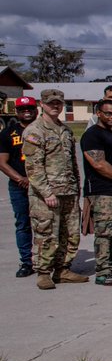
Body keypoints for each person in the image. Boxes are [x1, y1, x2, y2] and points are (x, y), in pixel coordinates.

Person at [23, 89, 86, 289]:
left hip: (68, 191)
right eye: (51, 103)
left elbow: (72, 163)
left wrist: (77, 189)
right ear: (42, 104)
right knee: (46, 233)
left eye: (58, 103)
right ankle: (43, 272)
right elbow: (33, 167)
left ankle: (63, 269)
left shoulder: (65, 130)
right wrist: (47, 192)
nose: (55, 106)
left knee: (70, 233)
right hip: (46, 195)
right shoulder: (35, 131)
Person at [81, 100, 112, 287]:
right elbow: (98, 163)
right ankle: (103, 271)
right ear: (98, 113)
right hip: (102, 191)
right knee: (104, 232)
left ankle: (111, 265)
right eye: (108, 113)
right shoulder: (92, 135)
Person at [0, 96, 38, 278]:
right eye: (23, 109)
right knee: (23, 224)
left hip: (42, 186)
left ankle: (46, 261)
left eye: (30, 108)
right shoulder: (8, 133)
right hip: (19, 186)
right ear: (17, 112)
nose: (27, 112)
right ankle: (26, 261)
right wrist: (20, 179)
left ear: (36, 110)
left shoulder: (42, 130)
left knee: (45, 224)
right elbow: (2, 162)